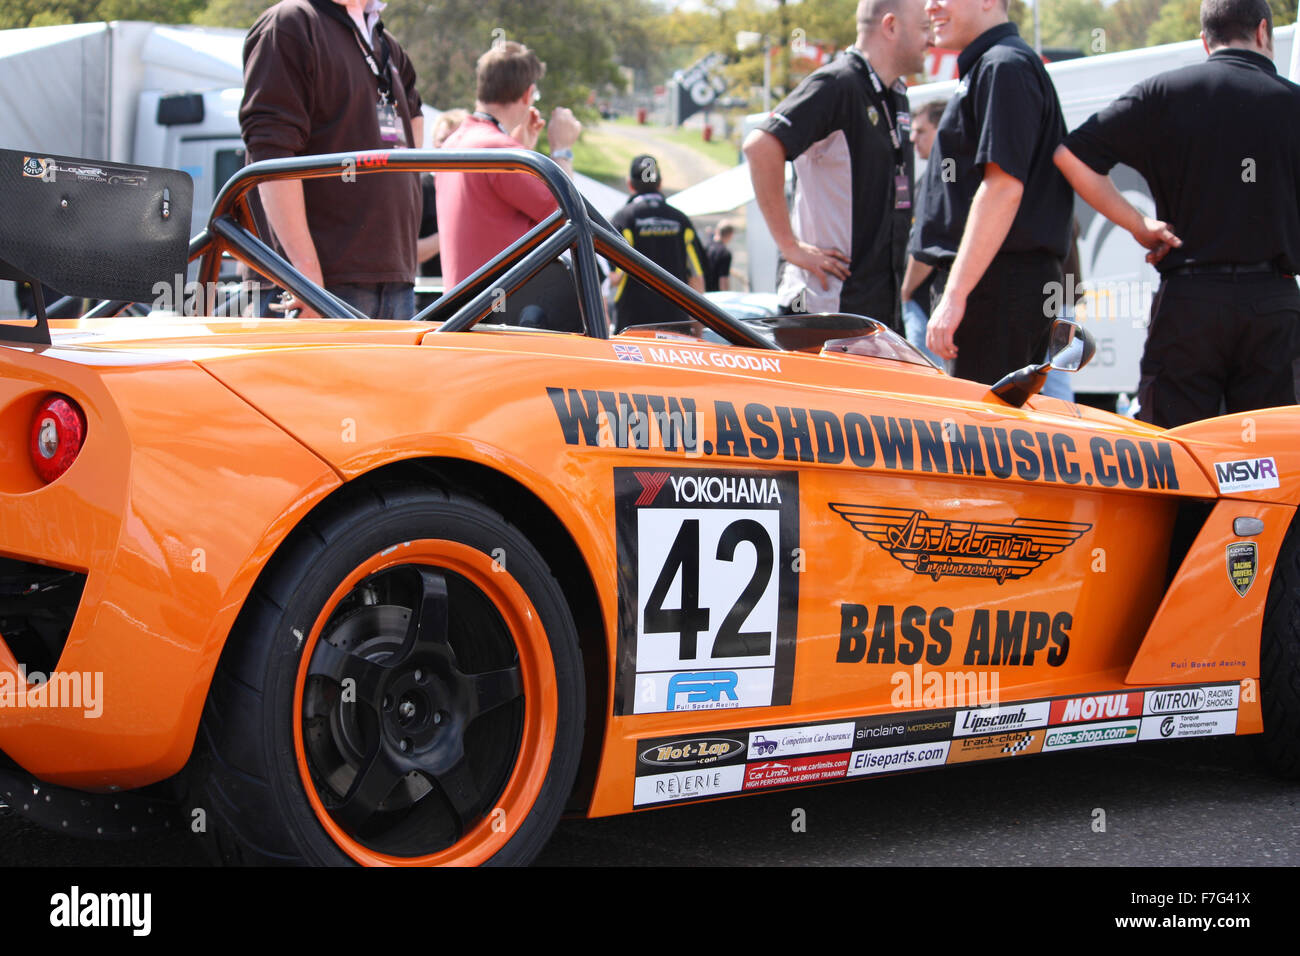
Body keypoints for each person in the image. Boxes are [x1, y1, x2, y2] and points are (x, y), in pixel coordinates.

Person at [1054, 0, 1300, 428]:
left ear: (1205, 41)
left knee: (1177, 448)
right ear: (1263, 32)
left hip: (1189, 301)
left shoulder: (1162, 93)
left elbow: (1071, 155)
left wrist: (1139, 225)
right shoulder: (1292, 102)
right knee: (1272, 454)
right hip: (1273, 304)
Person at [742, 0, 931, 331]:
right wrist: (790, 247)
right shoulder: (837, 84)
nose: (930, 40)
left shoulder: (896, 94)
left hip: (878, 308)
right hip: (825, 309)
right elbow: (760, 147)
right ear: (890, 26)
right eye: (924, 28)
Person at [916, 0, 1074, 384]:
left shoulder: (1003, 65)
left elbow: (1003, 187)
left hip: (998, 291)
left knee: (980, 436)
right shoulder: (992, 65)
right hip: (995, 288)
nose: (929, 6)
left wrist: (954, 296)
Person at [240, 0, 424, 320]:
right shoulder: (290, 22)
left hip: (392, 278)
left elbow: (415, 119)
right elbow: (270, 152)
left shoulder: (385, 42)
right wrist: (305, 277)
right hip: (317, 285)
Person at [436, 41, 582, 289]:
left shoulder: (455, 141)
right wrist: (562, 150)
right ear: (528, 93)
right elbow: (567, 215)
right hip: (499, 315)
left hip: (463, 309)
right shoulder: (501, 152)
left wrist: (524, 150)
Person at [609, 155, 707, 332]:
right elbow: (696, 278)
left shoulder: (623, 219)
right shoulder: (681, 220)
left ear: (630, 184)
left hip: (632, 326)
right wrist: (698, 329)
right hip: (676, 326)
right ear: (660, 183)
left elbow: (613, 278)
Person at [900, 98, 946, 363]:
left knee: (928, 384)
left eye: (921, 131)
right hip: (925, 302)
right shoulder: (929, 178)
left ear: (941, 129)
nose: (913, 138)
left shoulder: (944, 178)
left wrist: (906, 290)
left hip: (926, 303)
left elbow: (930, 240)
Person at [415, 108, 467, 311]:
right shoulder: (422, 187)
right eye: (443, 139)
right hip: (431, 301)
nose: (448, 146)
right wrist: (452, 233)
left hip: (476, 298)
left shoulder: (473, 188)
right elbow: (412, 252)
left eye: (455, 140)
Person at [703, 220, 736, 292]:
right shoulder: (725, 253)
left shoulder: (706, 246)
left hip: (702, 293)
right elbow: (723, 282)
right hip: (715, 296)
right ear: (730, 235)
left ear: (717, 231)